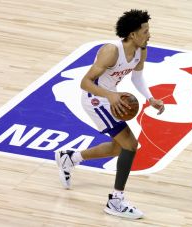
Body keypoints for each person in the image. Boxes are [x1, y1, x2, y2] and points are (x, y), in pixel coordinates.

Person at [55, 9, 164, 219]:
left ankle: (70, 158)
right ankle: (116, 200)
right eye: (146, 30)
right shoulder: (111, 51)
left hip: (112, 98)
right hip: (95, 100)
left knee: (117, 148)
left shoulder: (141, 50)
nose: (149, 34)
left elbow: (137, 78)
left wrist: (150, 99)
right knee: (130, 145)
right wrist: (110, 96)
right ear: (133, 34)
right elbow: (85, 83)